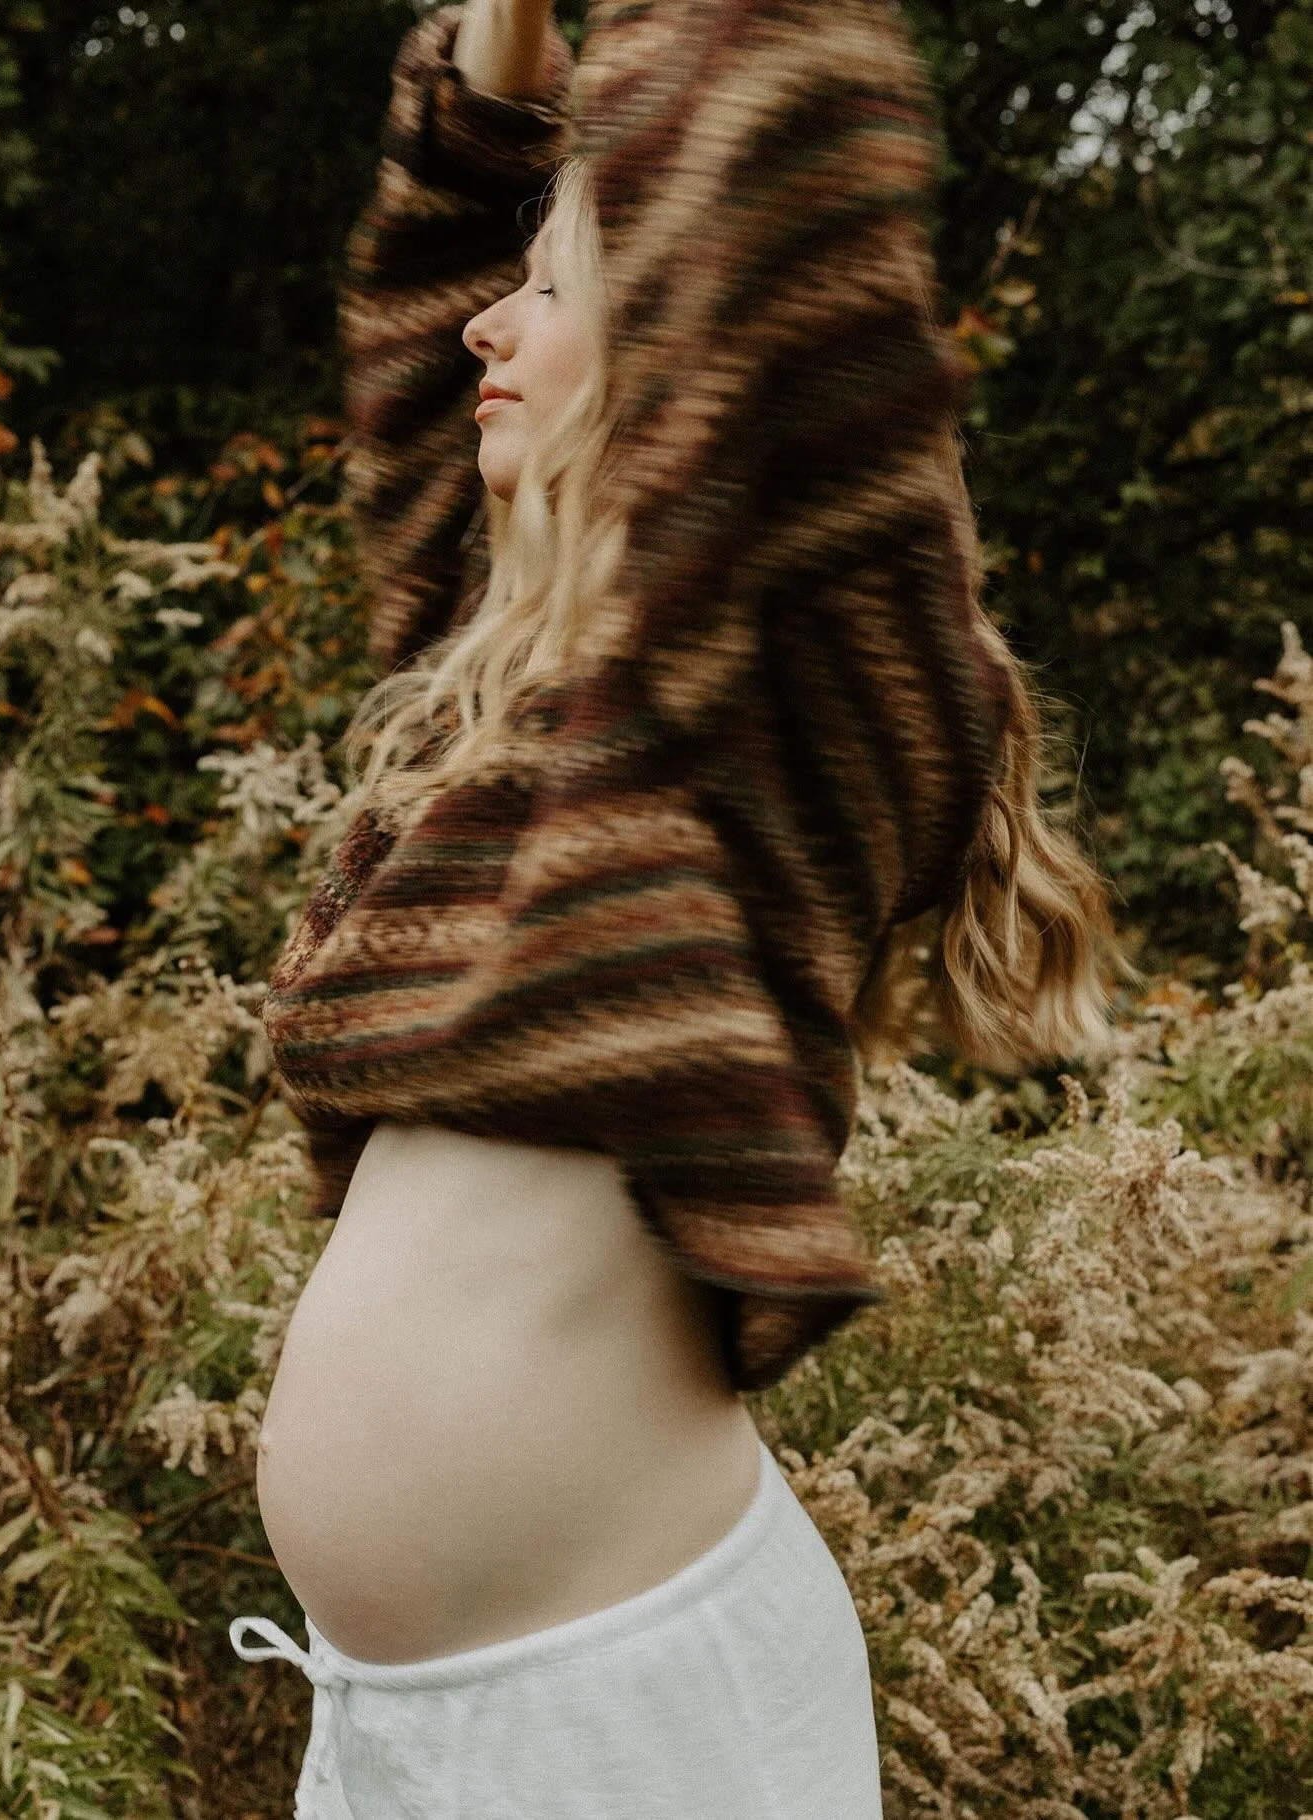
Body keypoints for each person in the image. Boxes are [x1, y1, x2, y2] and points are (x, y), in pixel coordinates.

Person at [229, 0, 1132, 1812]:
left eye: (550, 293)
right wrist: (499, 57)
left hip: (632, 1728)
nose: (491, 319)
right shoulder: (508, 720)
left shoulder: (784, 723)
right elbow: (425, 318)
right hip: (404, 1733)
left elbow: (791, 158)